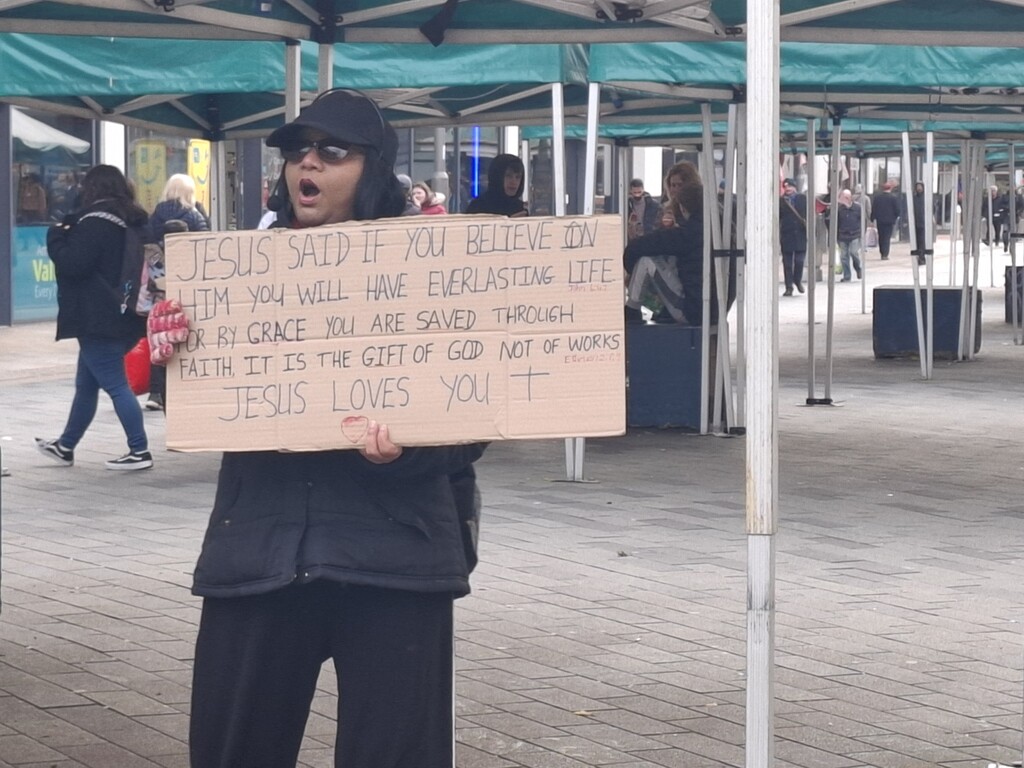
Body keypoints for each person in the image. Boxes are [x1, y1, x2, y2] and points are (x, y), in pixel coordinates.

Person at [177, 89, 486, 768]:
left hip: (394, 559)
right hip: (259, 553)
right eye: (295, 151)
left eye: (331, 151)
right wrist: (175, 352)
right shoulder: (237, 274)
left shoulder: (431, 270)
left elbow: (473, 427)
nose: (305, 165)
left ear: (374, 169)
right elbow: (194, 406)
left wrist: (401, 453)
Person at [35, 164, 154, 471]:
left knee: (115, 384)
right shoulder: (132, 220)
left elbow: (75, 264)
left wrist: (55, 238)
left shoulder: (95, 223)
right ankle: (65, 446)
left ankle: (139, 450)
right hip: (126, 313)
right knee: (86, 385)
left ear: (92, 189)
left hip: (97, 316)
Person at [146, 175, 209, 411]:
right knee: (186, 333)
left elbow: (149, 247)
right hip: (188, 286)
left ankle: (156, 391)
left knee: (160, 335)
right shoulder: (195, 215)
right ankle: (187, 385)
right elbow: (205, 247)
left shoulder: (155, 216)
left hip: (161, 285)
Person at [779, 178, 807, 295]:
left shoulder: (802, 199)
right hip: (787, 234)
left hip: (800, 234)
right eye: (785, 187)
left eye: (790, 186)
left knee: (799, 261)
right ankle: (789, 287)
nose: (788, 189)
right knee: (787, 263)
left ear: (794, 187)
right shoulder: (781, 201)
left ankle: (797, 280)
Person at [832, 189, 863, 282]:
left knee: (854, 253)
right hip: (842, 235)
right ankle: (847, 276)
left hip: (855, 234)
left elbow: (863, 221)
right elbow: (835, 222)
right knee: (843, 256)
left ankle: (858, 268)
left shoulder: (857, 208)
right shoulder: (839, 209)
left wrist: (862, 232)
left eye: (842, 198)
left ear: (848, 198)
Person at [871, 181, 900, 260]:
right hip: (889, 221)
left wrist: (872, 218)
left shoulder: (877, 198)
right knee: (887, 237)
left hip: (880, 220)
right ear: (890, 188)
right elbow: (897, 209)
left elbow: (874, 208)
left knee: (881, 236)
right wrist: (896, 217)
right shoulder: (893, 198)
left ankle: (882, 252)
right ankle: (885, 254)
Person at [912, 181, 928, 265]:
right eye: (917, 186)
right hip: (916, 223)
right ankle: (920, 256)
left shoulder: (926, 198)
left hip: (924, 222)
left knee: (922, 241)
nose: (919, 188)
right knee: (918, 241)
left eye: (920, 186)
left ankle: (922, 257)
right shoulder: (914, 198)